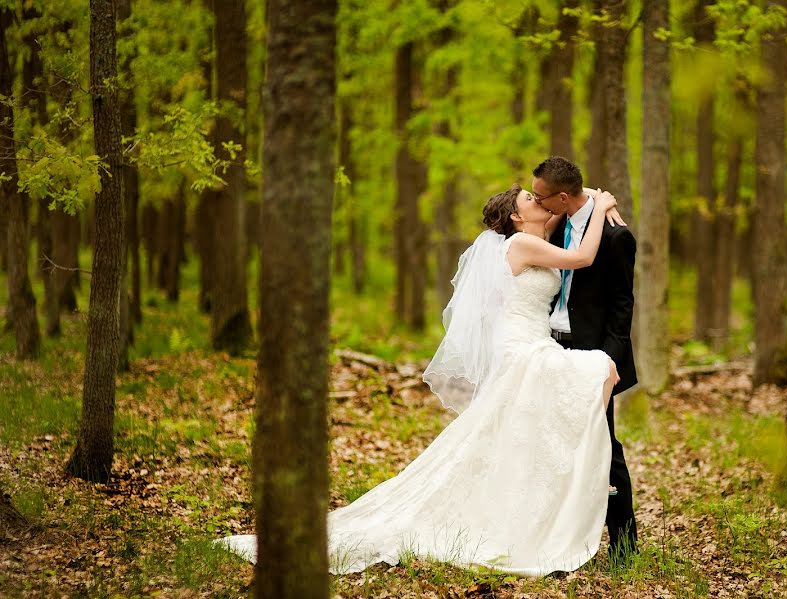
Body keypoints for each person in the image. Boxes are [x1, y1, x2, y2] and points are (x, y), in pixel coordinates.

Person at [216, 182, 626, 576]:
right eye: (529, 199)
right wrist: (603, 207)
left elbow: (561, 204)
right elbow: (584, 257)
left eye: (541, 197)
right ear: (518, 216)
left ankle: (543, 498)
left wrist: (587, 196)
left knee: (508, 433)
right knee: (600, 370)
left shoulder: (533, 234)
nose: (540, 201)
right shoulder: (521, 244)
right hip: (523, 348)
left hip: (530, 344)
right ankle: (585, 482)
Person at [531, 156, 639, 562]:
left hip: (592, 356)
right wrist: (598, 195)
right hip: (549, 348)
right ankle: (563, 539)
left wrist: (608, 364)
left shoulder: (615, 236)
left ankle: (624, 546)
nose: (538, 204)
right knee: (553, 445)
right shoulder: (554, 226)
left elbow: (622, 305)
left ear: (561, 196)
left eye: (542, 197)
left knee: (604, 447)